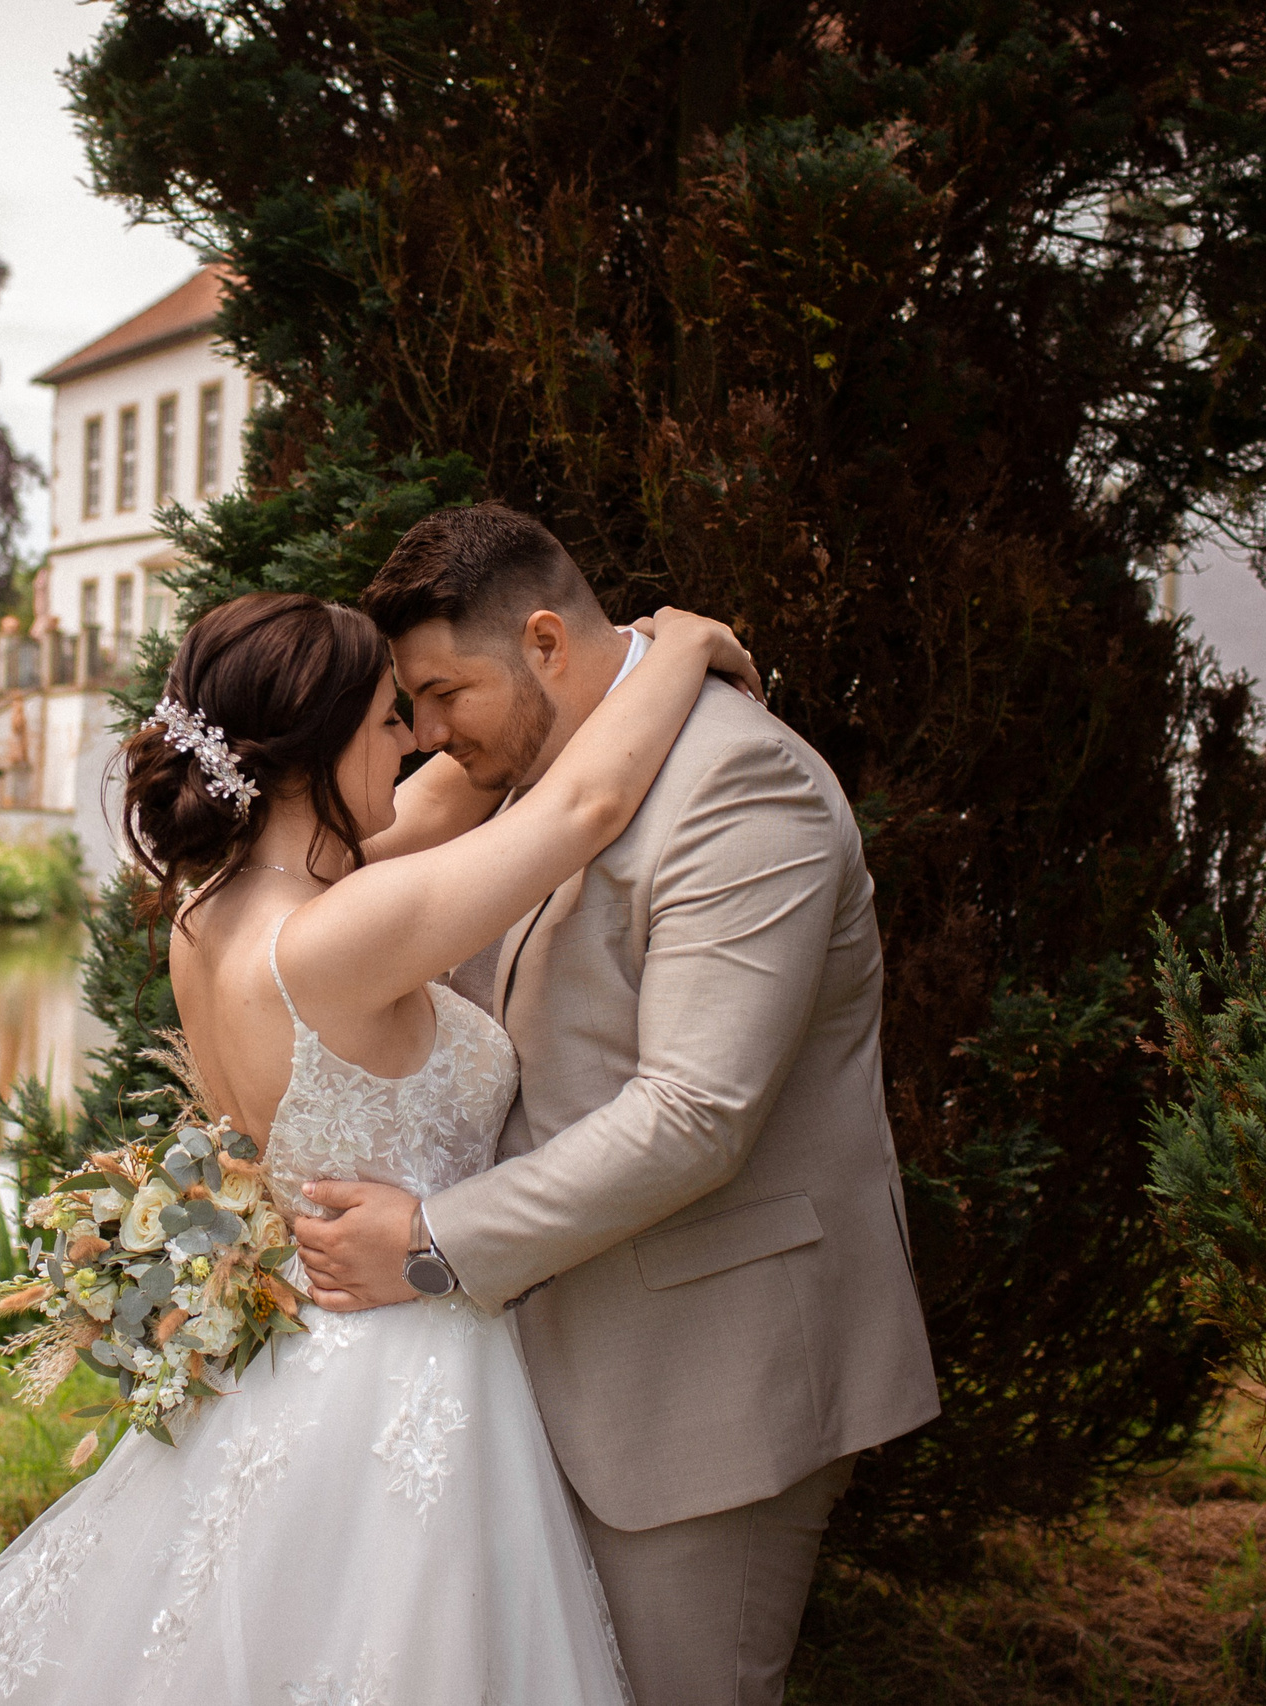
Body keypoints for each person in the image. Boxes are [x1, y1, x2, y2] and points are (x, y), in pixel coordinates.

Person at [0, 589, 757, 1706]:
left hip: (297, 1349)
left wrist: (547, 683)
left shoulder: (214, 907)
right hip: (405, 1357)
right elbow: (583, 806)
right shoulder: (338, 932)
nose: (417, 737)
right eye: (389, 716)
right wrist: (678, 648)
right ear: (314, 748)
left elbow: (449, 793)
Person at [294, 503, 941, 1706]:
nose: (425, 734)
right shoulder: (524, 773)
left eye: (442, 694)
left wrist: (431, 1248)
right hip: (526, 1372)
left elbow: (696, 1113)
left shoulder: (742, 785)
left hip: (702, 1385)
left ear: (544, 642)